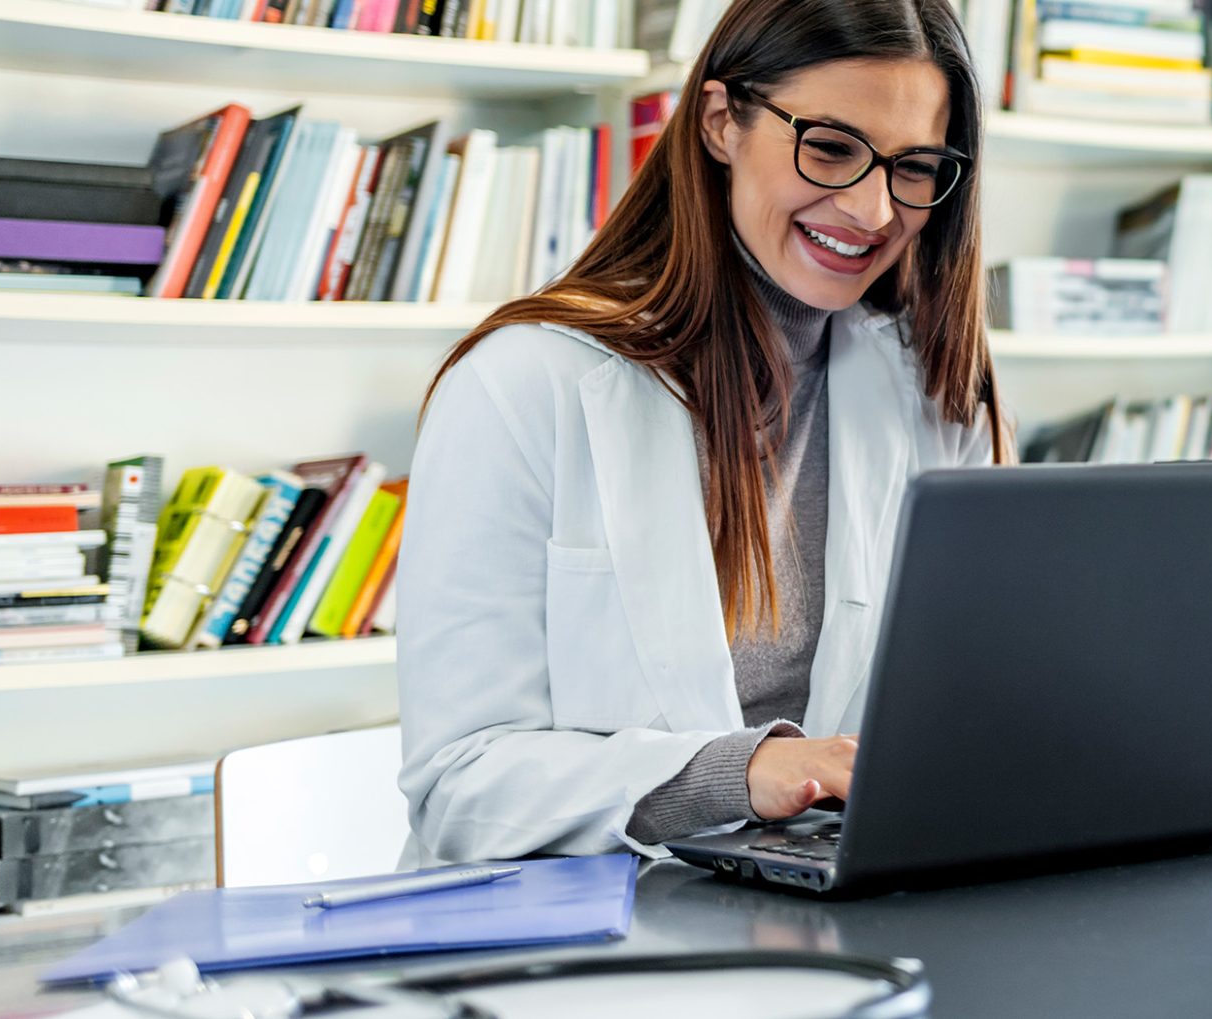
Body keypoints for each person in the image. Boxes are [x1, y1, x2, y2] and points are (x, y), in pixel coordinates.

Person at [396, 0, 1004, 862]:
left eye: (913, 168)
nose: (873, 211)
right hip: (583, 942)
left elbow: (965, 709)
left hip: (834, 915)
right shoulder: (521, 383)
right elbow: (461, 786)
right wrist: (741, 772)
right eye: (830, 147)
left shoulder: (932, 397)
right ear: (721, 121)